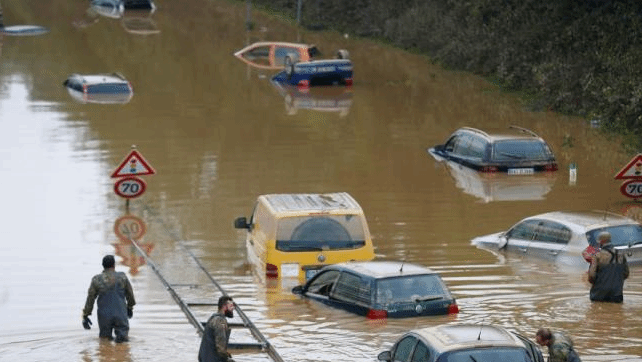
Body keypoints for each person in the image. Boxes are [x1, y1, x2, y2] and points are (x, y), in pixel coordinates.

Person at [82, 255, 136, 343]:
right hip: (121, 314)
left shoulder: (96, 279)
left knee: (104, 342)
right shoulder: (123, 277)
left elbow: (90, 299)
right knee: (123, 343)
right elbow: (130, 295)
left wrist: (86, 315)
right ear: (114, 265)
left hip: (104, 316)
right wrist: (130, 308)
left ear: (103, 265)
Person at [588, 231, 629, 303]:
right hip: (617, 294)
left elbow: (591, 276)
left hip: (599, 294)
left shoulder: (597, 256)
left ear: (602, 241)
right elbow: (626, 274)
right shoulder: (621, 255)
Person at [198, 295, 235, 362]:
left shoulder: (213, 318)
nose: (233, 308)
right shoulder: (220, 321)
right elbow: (220, 347)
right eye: (231, 306)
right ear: (224, 306)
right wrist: (227, 358)